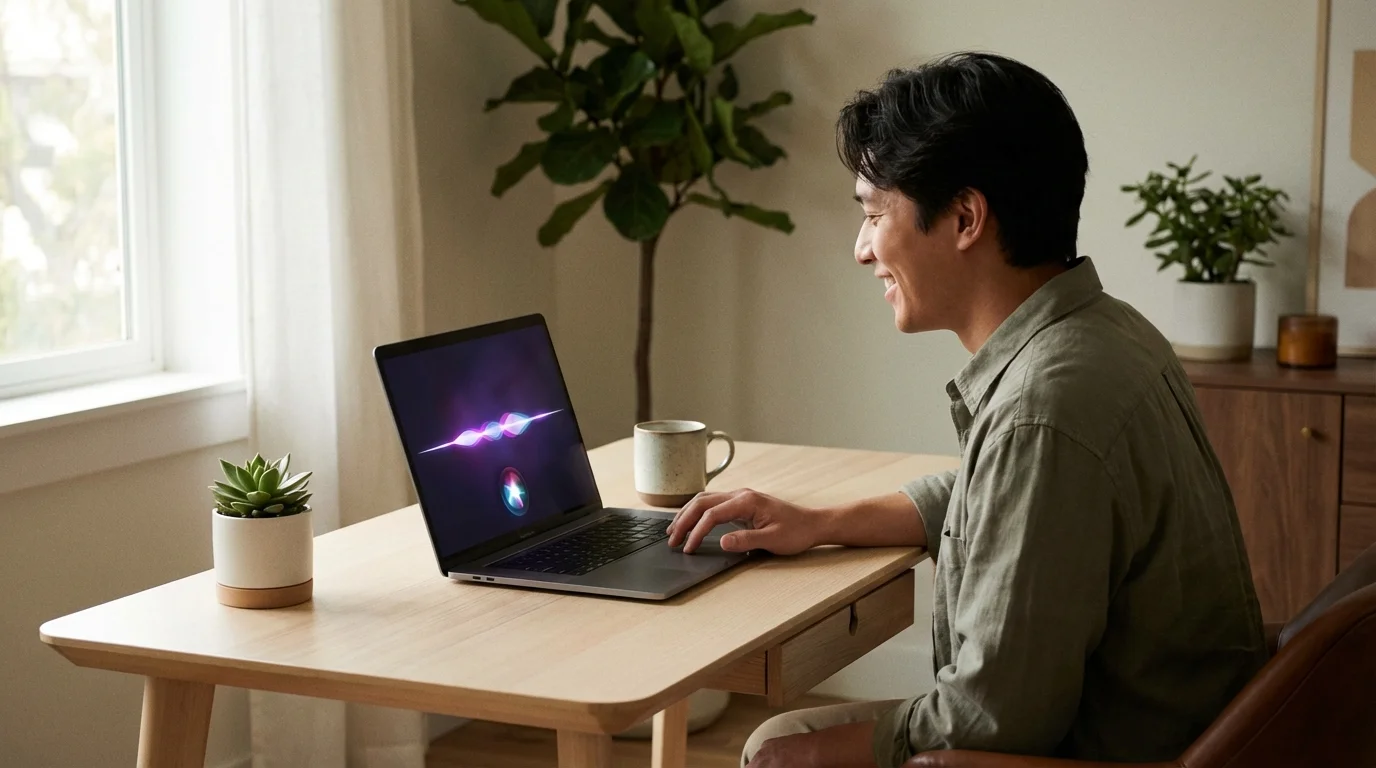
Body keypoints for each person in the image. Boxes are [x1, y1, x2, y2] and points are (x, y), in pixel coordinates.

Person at [665, 52, 1268, 768]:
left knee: (777, 748)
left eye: (873, 213)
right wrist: (822, 522)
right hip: (1189, 732)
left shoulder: (1044, 409)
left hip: (1103, 752)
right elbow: (1011, 500)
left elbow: (990, 721)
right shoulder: (1106, 333)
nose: (862, 250)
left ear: (964, 217)